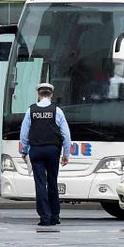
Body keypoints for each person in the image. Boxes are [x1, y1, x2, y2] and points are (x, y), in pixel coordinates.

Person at [19, 83, 72, 226]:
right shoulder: (57, 111)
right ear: (51, 95)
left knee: (40, 184)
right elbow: (66, 135)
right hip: (52, 150)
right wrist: (66, 154)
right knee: (52, 182)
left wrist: (24, 151)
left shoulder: (31, 110)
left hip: (36, 150)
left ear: (39, 95)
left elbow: (24, 134)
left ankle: (45, 217)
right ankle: (55, 215)